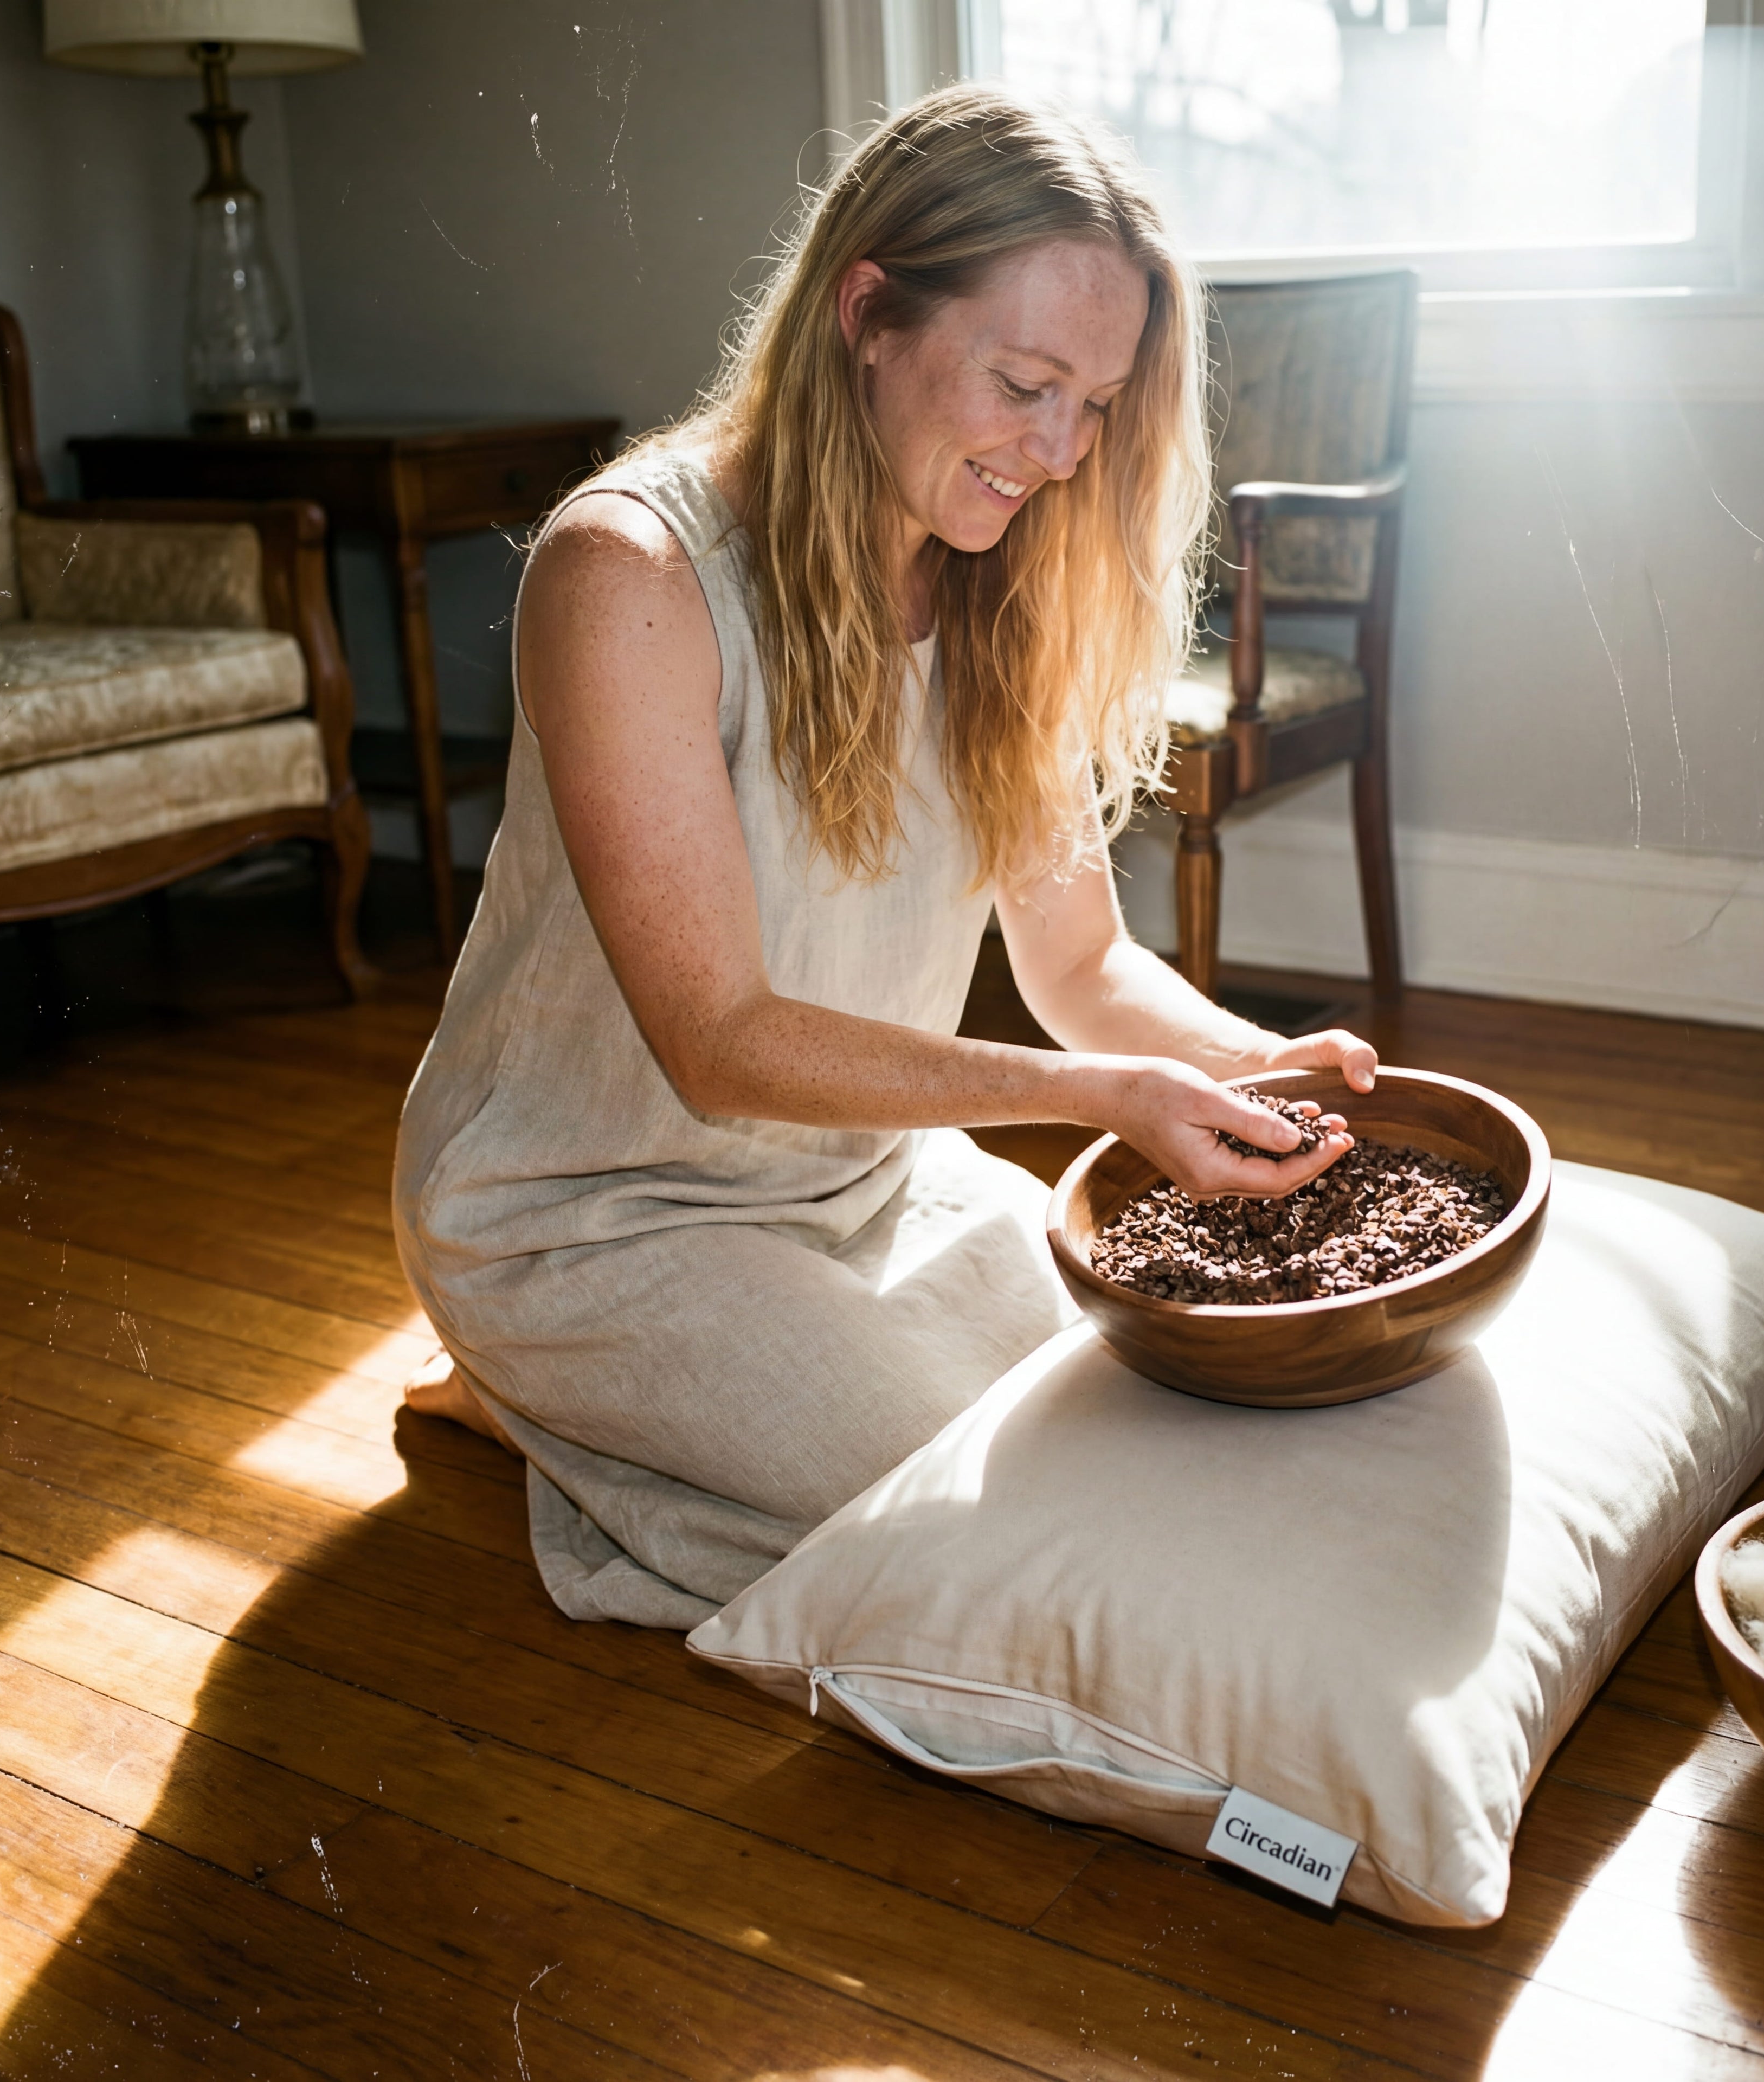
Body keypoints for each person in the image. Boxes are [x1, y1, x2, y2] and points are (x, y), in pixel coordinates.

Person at [394, 85, 1379, 1628]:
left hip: (869, 1178)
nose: (1061, 451)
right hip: (592, 1215)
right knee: (1016, 1549)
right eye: (1024, 382)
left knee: (1174, 1434)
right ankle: (530, 1383)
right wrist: (1101, 1103)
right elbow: (717, 1043)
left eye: (1098, 403)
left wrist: (1270, 1075)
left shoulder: (1000, 573)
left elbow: (1084, 967)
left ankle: (592, 1413)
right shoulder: (630, 575)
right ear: (866, 312)